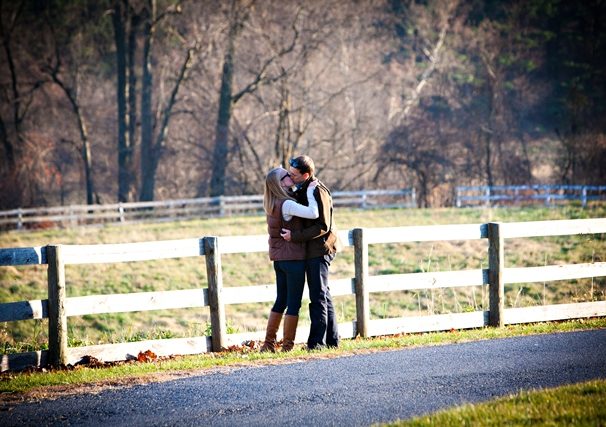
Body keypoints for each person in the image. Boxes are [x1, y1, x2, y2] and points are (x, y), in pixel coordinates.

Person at [281, 155, 340, 350]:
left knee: (318, 296)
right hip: (313, 249)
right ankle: (332, 340)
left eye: (294, 175)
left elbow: (323, 225)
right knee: (323, 294)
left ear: (306, 175)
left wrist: (295, 236)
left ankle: (317, 343)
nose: (291, 177)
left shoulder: (317, 191)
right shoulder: (305, 188)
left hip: (320, 249)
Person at [261, 166, 319, 352]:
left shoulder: (273, 202)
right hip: (293, 259)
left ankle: (268, 344)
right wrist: (310, 192)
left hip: (280, 260)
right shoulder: (286, 204)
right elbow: (313, 213)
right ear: (281, 182)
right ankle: (287, 346)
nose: (291, 176)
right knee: (293, 303)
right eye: (287, 175)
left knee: (281, 300)